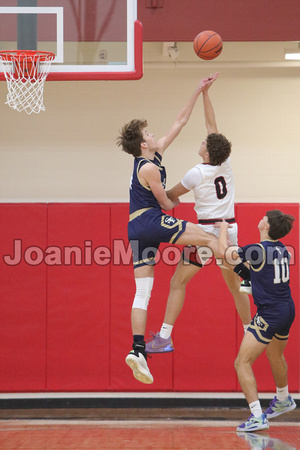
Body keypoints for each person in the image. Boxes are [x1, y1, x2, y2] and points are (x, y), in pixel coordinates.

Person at [117, 74, 221, 384]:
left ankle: (138, 351)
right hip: (151, 220)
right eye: (148, 132)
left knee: (143, 293)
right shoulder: (148, 166)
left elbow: (180, 122)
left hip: (135, 228)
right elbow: (166, 205)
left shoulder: (153, 153)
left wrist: (197, 88)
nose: (153, 133)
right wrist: (180, 196)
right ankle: (245, 273)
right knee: (207, 236)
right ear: (143, 143)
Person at [145, 74, 251, 354]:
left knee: (178, 281)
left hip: (205, 236)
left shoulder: (196, 173)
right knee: (236, 286)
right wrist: (206, 94)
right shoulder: (224, 164)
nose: (203, 140)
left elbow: (172, 197)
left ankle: (165, 337)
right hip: (230, 232)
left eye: (205, 142)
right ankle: (249, 331)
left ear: (207, 152)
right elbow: (212, 126)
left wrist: (152, 194)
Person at [217, 210, 296, 432]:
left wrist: (222, 229)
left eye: (264, 218)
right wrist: (243, 272)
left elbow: (223, 253)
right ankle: (283, 398)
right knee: (275, 354)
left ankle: (257, 417)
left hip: (269, 313)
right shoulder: (282, 249)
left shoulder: (257, 250)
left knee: (241, 362)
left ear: (267, 227)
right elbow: (257, 273)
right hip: (287, 309)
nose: (260, 219)